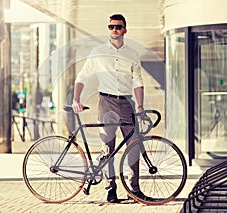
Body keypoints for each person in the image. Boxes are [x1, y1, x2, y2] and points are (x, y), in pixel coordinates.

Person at [72, 14, 145, 203]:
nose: (115, 30)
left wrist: (141, 105)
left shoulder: (133, 54)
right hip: (106, 103)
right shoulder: (98, 52)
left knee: (134, 145)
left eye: (118, 27)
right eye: (111, 26)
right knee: (108, 148)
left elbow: (138, 82)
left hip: (127, 103)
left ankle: (134, 188)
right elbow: (82, 77)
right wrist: (76, 99)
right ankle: (110, 189)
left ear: (125, 30)